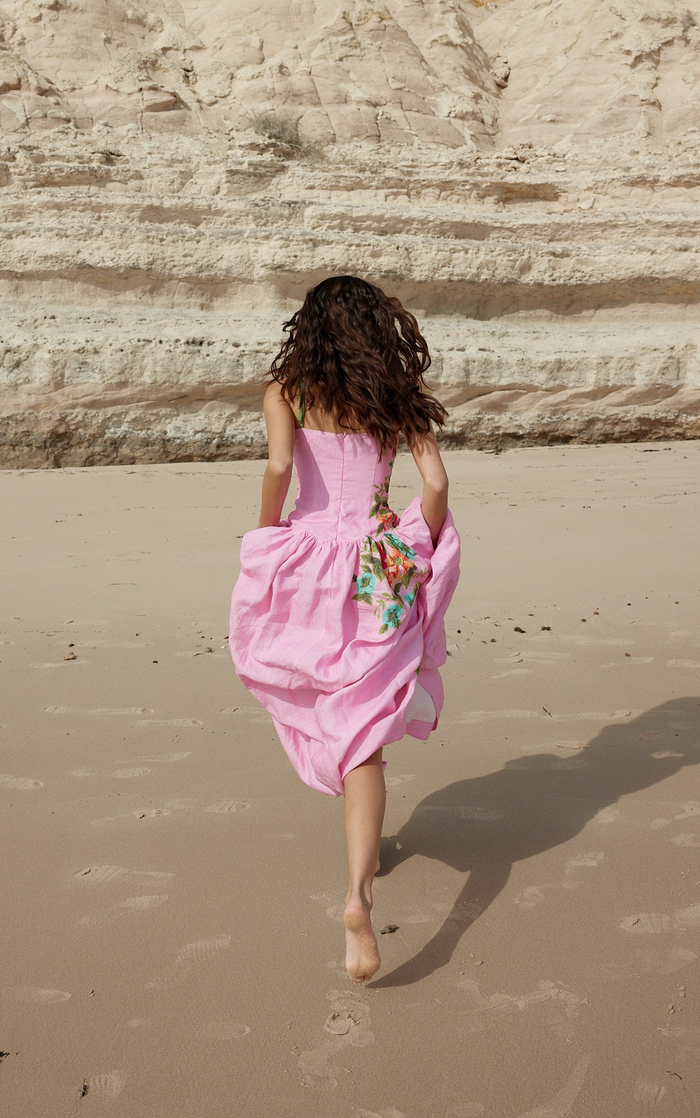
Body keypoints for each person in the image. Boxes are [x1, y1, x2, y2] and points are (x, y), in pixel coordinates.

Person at [229, 276, 461, 982]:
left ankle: (365, 865)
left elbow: (277, 468)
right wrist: (420, 540)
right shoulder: (395, 400)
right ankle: (358, 892)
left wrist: (267, 538)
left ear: (311, 327)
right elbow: (438, 487)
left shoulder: (287, 392)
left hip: (307, 557)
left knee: (332, 705)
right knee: (365, 724)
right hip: (376, 564)